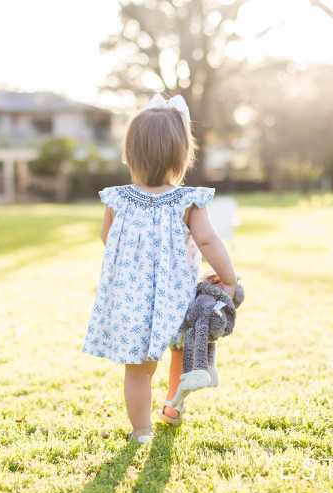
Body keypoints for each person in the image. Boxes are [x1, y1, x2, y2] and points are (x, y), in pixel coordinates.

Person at [82, 93, 238, 443]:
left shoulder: (117, 198)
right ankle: (172, 405)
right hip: (175, 296)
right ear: (181, 153)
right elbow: (208, 242)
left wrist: (136, 269)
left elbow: (108, 238)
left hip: (130, 299)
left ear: (131, 153)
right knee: (180, 351)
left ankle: (142, 431)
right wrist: (227, 278)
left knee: (137, 370)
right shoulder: (189, 200)